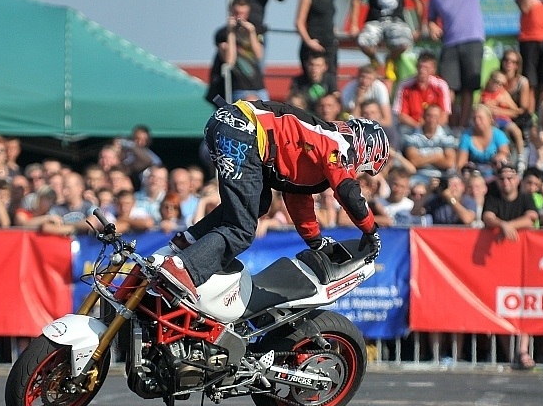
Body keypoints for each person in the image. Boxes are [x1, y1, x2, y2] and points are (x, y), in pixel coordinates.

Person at [155, 100, 389, 304]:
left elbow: (297, 197)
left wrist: (316, 241)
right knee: (241, 229)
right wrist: (370, 230)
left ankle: (188, 241)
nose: (358, 171)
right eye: (364, 167)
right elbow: (348, 191)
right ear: (367, 147)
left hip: (230, 125)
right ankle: (183, 269)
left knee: (257, 202)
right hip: (243, 131)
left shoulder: (320, 141)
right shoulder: (339, 143)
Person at [482, 162, 539, 369]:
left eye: (510, 178)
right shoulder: (493, 198)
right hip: (499, 263)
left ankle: (523, 350)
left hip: (525, 262)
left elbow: (531, 218)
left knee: (526, 305)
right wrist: (502, 225)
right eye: (502, 178)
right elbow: (487, 217)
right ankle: (510, 354)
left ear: (517, 179)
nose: (506, 182)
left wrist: (508, 226)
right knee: (501, 306)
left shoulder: (526, 197)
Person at [427, 0, 496, 128]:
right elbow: (431, 19)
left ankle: (462, 127)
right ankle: (449, 126)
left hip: (473, 41)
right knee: (448, 88)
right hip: (449, 44)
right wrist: (432, 26)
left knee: (468, 88)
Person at [348, 0, 424, 82]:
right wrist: (353, 25)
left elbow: (417, 1)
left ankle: (390, 59)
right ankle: (374, 60)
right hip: (375, 21)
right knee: (362, 41)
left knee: (405, 43)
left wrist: (419, 28)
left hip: (396, 21)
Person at [206, 0, 268, 104]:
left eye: (243, 13)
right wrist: (231, 32)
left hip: (258, 86)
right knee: (250, 106)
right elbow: (230, 60)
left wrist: (251, 32)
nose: (239, 17)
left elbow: (259, 56)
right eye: (236, 13)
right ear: (230, 11)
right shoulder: (223, 33)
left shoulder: (255, 30)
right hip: (239, 87)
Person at [391, 51, 452, 132]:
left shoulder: (441, 86)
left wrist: (431, 129)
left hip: (436, 127)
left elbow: (444, 116)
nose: (422, 70)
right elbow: (401, 115)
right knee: (402, 131)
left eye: (426, 68)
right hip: (412, 126)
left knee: (447, 132)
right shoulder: (404, 86)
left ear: (433, 69)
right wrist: (418, 127)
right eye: (420, 67)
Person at [295, 0, 338, 82]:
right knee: (311, 80)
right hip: (313, 44)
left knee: (330, 79)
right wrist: (308, 41)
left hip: (330, 45)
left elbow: (329, 20)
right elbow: (299, 22)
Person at [402, 105, 457, 183]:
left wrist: (422, 158)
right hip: (418, 177)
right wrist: (437, 156)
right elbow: (413, 162)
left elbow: (449, 163)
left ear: (440, 118)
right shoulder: (412, 135)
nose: (432, 119)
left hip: (442, 177)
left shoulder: (447, 135)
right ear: (423, 116)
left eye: (435, 116)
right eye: (429, 116)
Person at [480, 70, 526, 163]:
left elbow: (516, 111)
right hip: (491, 122)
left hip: (504, 120)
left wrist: (502, 107)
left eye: (502, 84)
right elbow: (479, 109)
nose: (499, 86)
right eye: (497, 82)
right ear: (490, 80)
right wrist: (488, 107)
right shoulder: (484, 94)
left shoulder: (503, 94)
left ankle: (521, 156)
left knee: (516, 131)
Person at [456, 104, 511, 179]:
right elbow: (460, 164)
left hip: (495, 175)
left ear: (489, 119)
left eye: (480, 118)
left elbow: (505, 153)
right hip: (473, 177)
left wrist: (499, 157)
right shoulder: (466, 137)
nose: (477, 121)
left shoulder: (498, 135)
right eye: (474, 118)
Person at [500, 49, 535, 138]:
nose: (509, 63)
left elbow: (523, 109)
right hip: (498, 116)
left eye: (513, 62)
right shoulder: (496, 78)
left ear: (517, 65)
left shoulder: (522, 82)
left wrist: (504, 112)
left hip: (516, 117)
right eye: (506, 60)